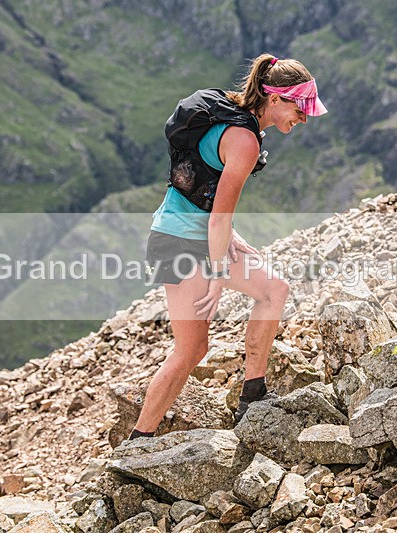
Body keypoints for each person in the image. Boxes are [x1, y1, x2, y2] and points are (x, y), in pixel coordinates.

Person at [129, 54, 328, 440]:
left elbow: (205, 196)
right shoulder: (244, 141)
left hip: (195, 233)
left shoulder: (232, 117)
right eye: (300, 109)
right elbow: (218, 217)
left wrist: (232, 242)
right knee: (191, 350)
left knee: (274, 289)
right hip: (181, 243)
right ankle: (138, 441)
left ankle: (252, 395)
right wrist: (218, 275)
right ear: (275, 99)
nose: (303, 118)